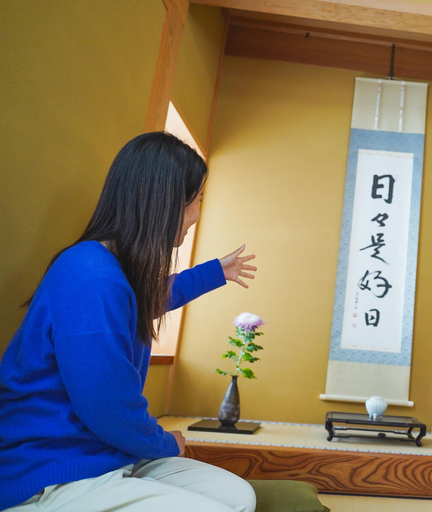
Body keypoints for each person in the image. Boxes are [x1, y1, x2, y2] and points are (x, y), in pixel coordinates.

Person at [0, 132, 259, 512]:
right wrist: (165, 442)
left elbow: (146, 299)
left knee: (240, 497)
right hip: (52, 471)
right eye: (197, 200)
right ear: (165, 201)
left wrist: (214, 272)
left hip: (106, 453)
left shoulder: (111, 270)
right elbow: (108, 408)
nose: (197, 214)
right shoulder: (90, 275)